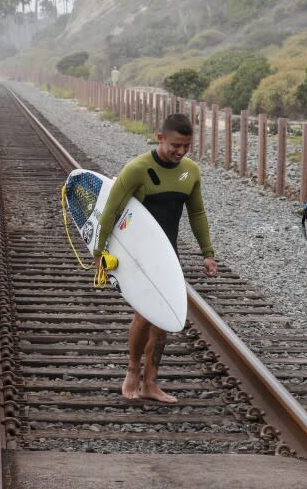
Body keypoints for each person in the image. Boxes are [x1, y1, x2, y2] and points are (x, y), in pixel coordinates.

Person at [93, 113, 217, 403]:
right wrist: (100, 252)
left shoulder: (190, 172)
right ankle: (133, 371)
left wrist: (207, 254)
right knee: (145, 314)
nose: (181, 152)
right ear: (160, 137)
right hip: (138, 255)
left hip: (167, 255)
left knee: (162, 318)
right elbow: (111, 211)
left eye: (187, 146)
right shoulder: (137, 169)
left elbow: (197, 214)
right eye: (176, 145)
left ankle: (151, 382)